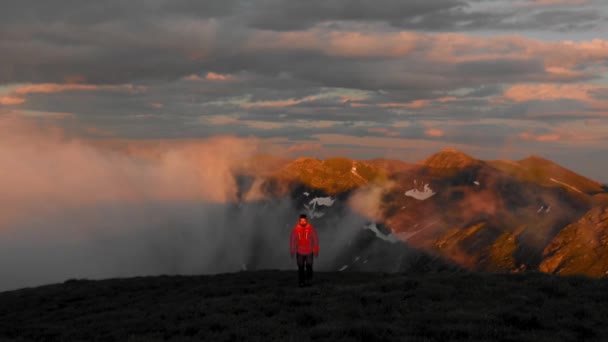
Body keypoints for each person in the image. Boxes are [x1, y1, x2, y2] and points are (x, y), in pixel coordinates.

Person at [290, 214, 319, 287]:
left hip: (309, 251)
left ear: (306, 220)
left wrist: (316, 250)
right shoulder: (295, 230)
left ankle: (309, 281)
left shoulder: (311, 229)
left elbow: (315, 240)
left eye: (304, 220)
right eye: (301, 221)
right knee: (301, 268)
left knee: (309, 267)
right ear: (299, 221)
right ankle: (301, 282)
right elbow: (292, 241)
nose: (303, 222)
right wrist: (292, 250)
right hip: (300, 252)